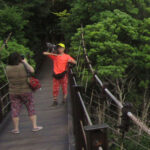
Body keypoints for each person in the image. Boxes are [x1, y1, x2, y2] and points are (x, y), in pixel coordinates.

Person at [6, 52, 43, 134]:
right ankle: (34, 126)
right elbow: (32, 70)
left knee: (15, 109)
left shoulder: (7, 68)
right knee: (30, 107)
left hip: (13, 92)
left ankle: (16, 129)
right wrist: (25, 62)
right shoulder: (23, 65)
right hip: (26, 90)